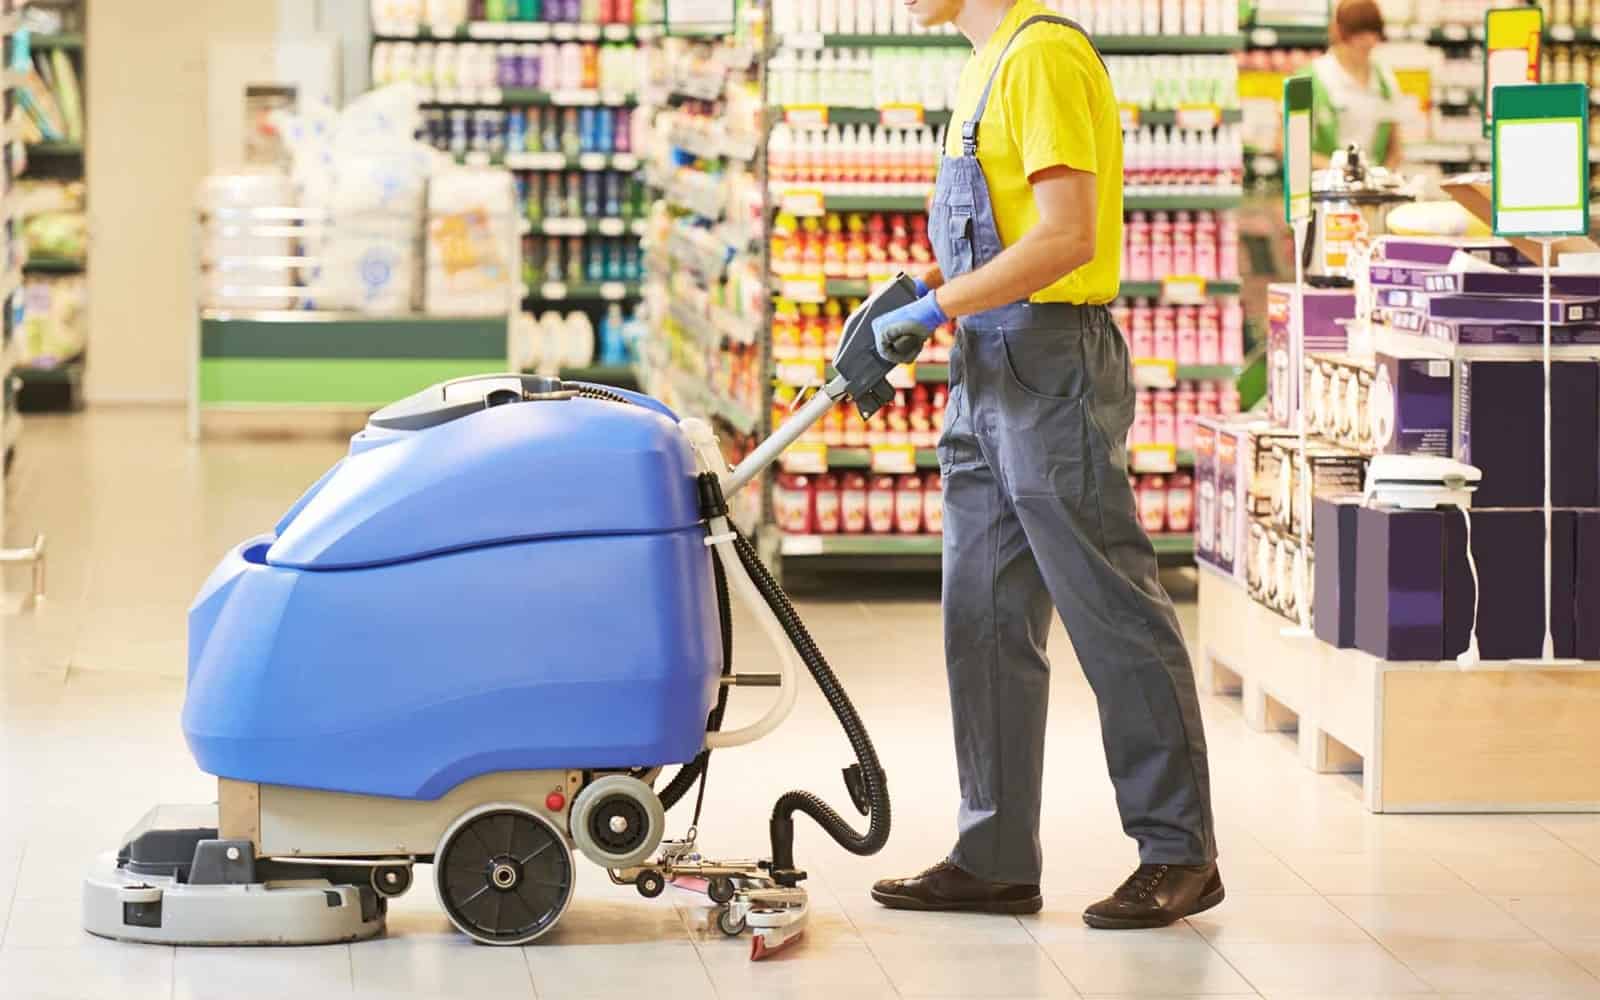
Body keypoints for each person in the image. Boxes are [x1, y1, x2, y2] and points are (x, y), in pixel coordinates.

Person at [865, 0, 1221, 930]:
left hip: (1051, 361)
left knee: (1110, 611)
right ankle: (991, 856)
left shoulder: (1044, 57)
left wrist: (940, 307)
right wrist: (923, 301)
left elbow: (1068, 235)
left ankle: (1178, 851)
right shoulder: (980, 66)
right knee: (980, 616)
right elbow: (1000, 232)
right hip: (984, 362)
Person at [1306, 0, 1405, 169]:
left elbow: (1395, 149)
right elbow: (1287, 148)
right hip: (1326, 188)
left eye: (1373, 33)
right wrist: (1340, 170)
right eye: (1359, 35)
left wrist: (1380, 179)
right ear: (1339, 32)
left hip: (1373, 190)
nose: (1367, 42)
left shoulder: (1385, 81)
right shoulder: (1312, 79)